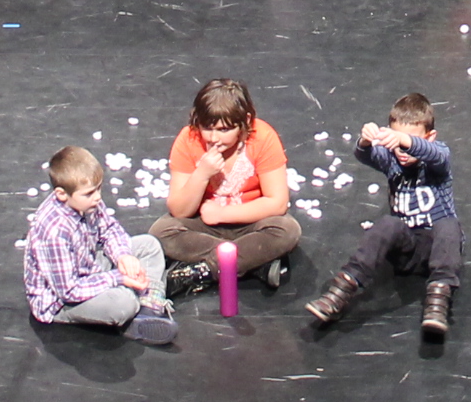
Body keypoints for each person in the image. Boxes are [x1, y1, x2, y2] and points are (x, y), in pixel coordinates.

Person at [306, 92, 462, 337]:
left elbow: (437, 155)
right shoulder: (391, 159)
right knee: (389, 223)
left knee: (449, 225)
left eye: (410, 142)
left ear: (429, 137)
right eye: (397, 142)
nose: (403, 150)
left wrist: (405, 140)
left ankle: (438, 300)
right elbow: (363, 154)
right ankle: (341, 291)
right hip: (405, 250)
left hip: (436, 248)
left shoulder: (437, 157)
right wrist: (366, 140)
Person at [152, 76, 302, 295]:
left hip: (251, 220)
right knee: (161, 231)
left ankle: (203, 271)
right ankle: (254, 263)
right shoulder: (189, 139)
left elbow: (277, 203)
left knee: (287, 230)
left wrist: (222, 214)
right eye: (207, 128)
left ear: (245, 121)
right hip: (204, 223)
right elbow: (179, 210)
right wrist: (202, 174)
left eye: (224, 130)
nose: (214, 138)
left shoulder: (263, 137)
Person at [23, 146, 177, 345]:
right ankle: (140, 305)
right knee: (124, 303)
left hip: (89, 267)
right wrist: (119, 278)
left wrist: (123, 256)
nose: (97, 197)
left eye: (99, 188)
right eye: (89, 193)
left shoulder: (87, 202)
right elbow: (69, 291)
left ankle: (147, 309)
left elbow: (109, 229)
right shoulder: (54, 232)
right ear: (61, 194)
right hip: (61, 301)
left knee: (149, 245)